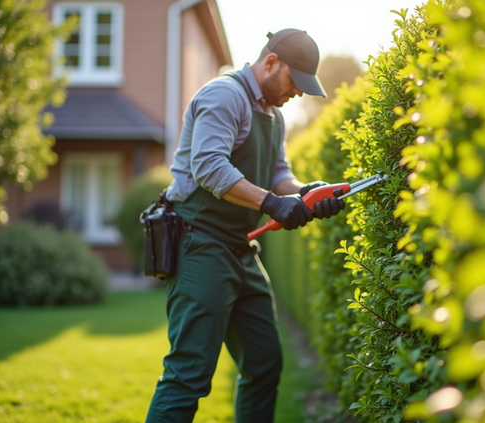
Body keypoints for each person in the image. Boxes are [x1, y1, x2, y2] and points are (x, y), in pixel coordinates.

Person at [145, 28, 344, 423]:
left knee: (264, 364)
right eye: (295, 82)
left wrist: (304, 193)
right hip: (199, 245)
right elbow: (209, 167)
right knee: (188, 375)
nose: (299, 93)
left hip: (240, 249)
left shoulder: (274, 115)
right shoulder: (224, 96)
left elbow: (277, 173)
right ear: (271, 62)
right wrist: (272, 204)